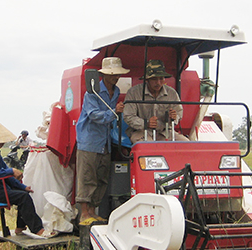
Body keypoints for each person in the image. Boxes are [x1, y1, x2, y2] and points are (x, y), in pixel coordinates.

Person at [75, 57, 128, 224]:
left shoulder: (117, 91)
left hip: (105, 141)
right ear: (104, 75)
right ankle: (84, 213)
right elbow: (93, 115)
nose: (115, 77)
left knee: (102, 177)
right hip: (89, 140)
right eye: (112, 74)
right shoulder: (92, 92)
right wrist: (113, 112)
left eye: (117, 74)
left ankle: (92, 211)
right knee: (87, 176)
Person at [0, 121, 47, 236]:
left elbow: (6, 175)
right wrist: (11, 171)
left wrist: (23, 186)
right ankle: (38, 230)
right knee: (23, 197)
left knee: (23, 193)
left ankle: (20, 227)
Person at [123, 60, 189, 144]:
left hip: (165, 132)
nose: (158, 83)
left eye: (161, 78)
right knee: (149, 147)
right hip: (141, 131)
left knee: (186, 144)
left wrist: (174, 117)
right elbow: (128, 116)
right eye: (154, 79)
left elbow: (179, 113)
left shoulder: (172, 93)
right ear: (147, 79)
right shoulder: (134, 92)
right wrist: (146, 123)